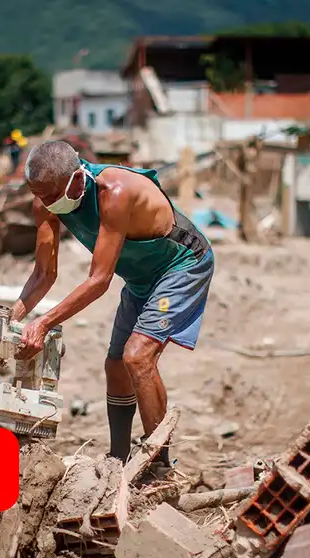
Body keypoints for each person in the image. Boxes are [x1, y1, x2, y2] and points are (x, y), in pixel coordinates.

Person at [12, 140, 214, 471]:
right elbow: (44, 275)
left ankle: (160, 467)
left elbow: (99, 280)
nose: (46, 204)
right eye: (39, 196)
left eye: (51, 195)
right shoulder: (46, 201)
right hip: (140, 277)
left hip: (183, 264)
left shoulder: (114, 191)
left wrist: (43, 323)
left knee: (138, 356)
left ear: (78, 179)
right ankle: (117, 462)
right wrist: (11, 320)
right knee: (116, 364)